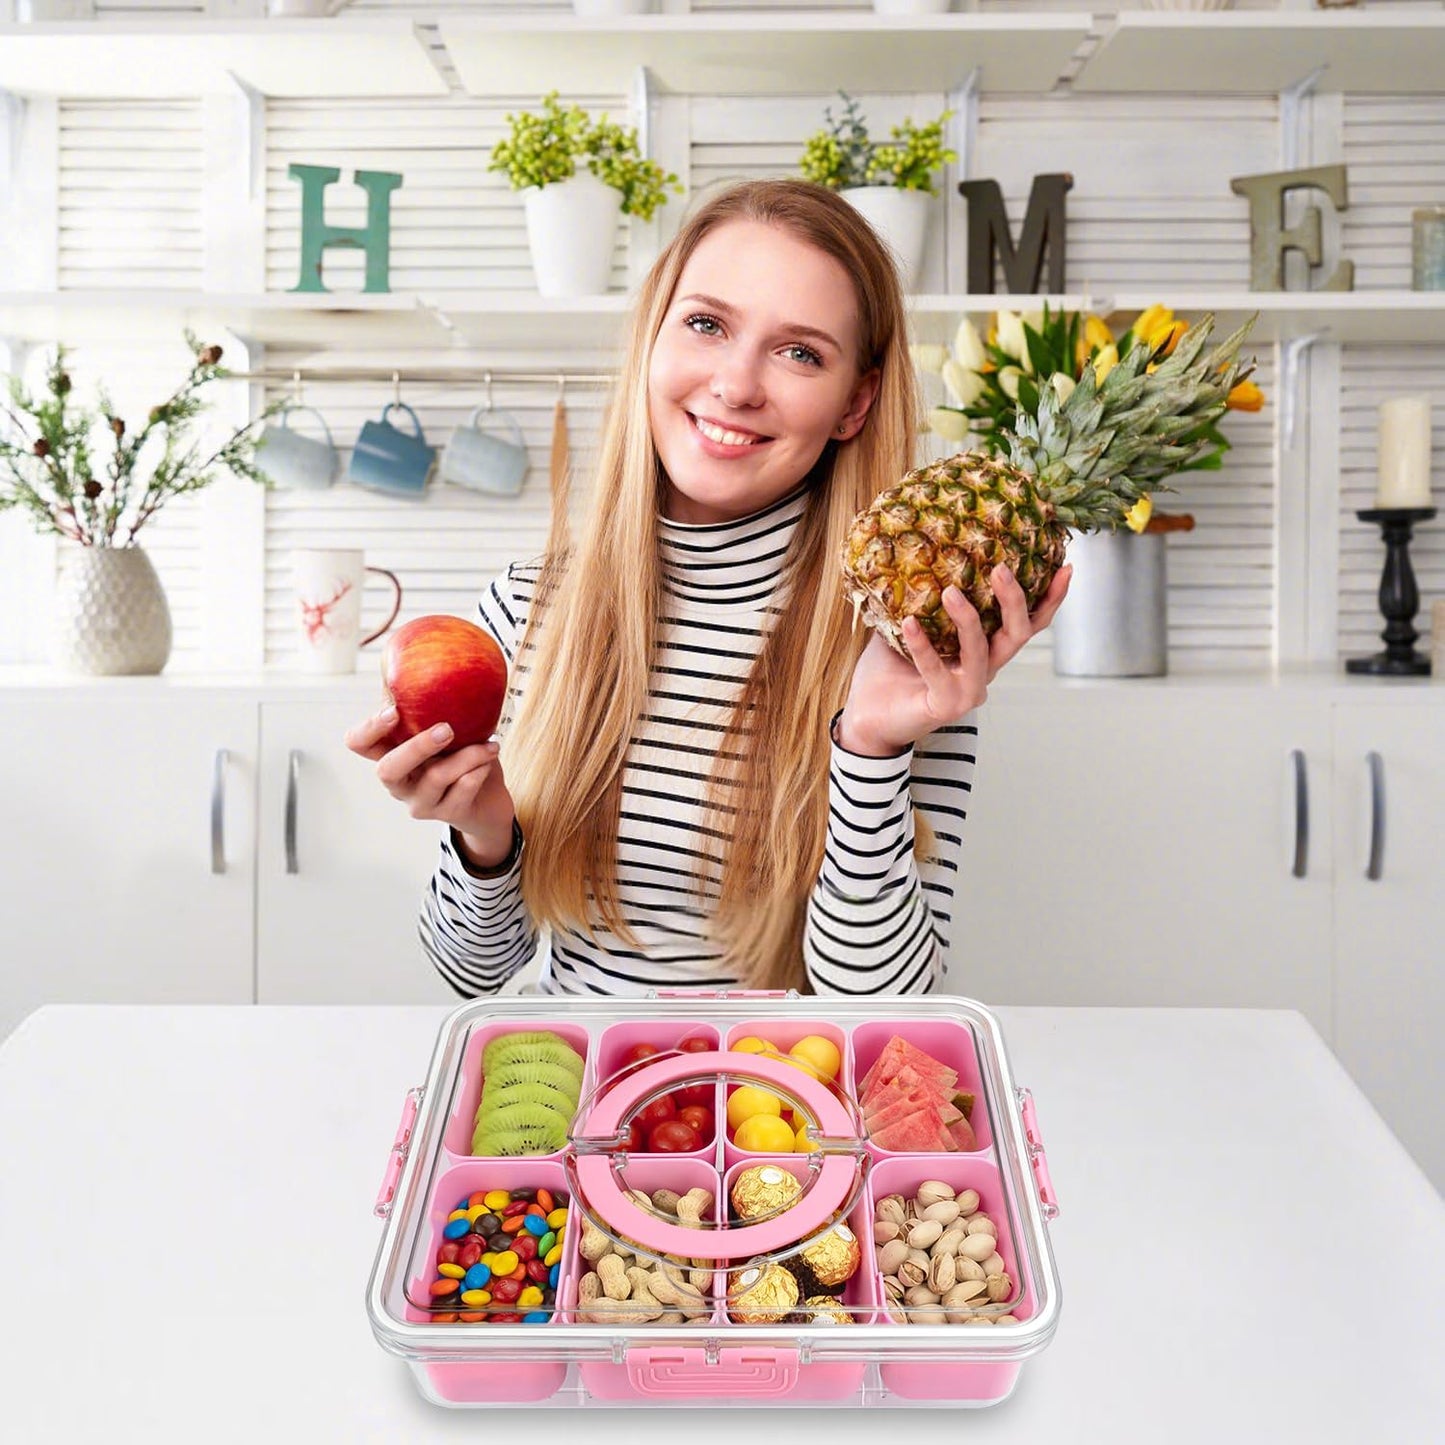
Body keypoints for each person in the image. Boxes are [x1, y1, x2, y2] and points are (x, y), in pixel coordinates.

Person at [346, 178, 1069, 998]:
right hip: (584, 1097)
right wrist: (483, 835)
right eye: (706, 324)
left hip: (784, 1108)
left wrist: (870, 749)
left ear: (854, 402)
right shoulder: (525, 611)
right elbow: (468, 973)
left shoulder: (902, 647)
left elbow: (881, 1011)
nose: (735, 384)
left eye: (800, 352)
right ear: (653, 337)